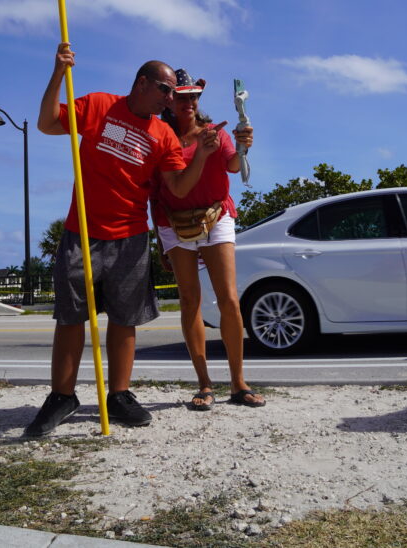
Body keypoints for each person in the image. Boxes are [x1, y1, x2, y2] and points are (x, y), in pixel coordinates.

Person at [23, 44, 223, 437]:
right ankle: (61, 397)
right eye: (166, 90)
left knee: (124, 320)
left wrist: (200, 155)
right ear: (142, 83)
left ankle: (119, 395)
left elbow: (179, 189)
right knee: (70, 318)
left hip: (131, 236)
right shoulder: (99, 105)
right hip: (81, 230)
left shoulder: (163, 134)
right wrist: (58, 74)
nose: (171, 98)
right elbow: (47, 123)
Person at [152, 69, 265, 411]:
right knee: (190, 301)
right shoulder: (159, 137)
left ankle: (238, 382)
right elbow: (161, 189)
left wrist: (244, 145)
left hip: (216, 216)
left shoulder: (214, 133)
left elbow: (233, 165)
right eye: (181, 96)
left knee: (229, 299)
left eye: (193, 96)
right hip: (173, 222)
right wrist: (159, 242)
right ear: (169, 99)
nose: (188, 102)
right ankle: (204, 383)